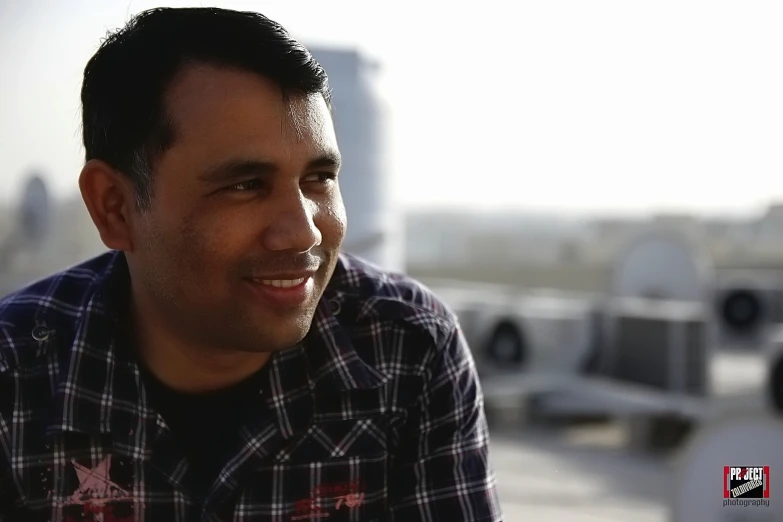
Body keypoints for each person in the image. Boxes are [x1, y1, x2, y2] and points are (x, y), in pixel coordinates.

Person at [0, 7, 502, 522]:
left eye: (319, 179)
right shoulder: (16, 373)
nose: (303, 230)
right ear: (115, 207)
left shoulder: (404, 347)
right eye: (245, 185)